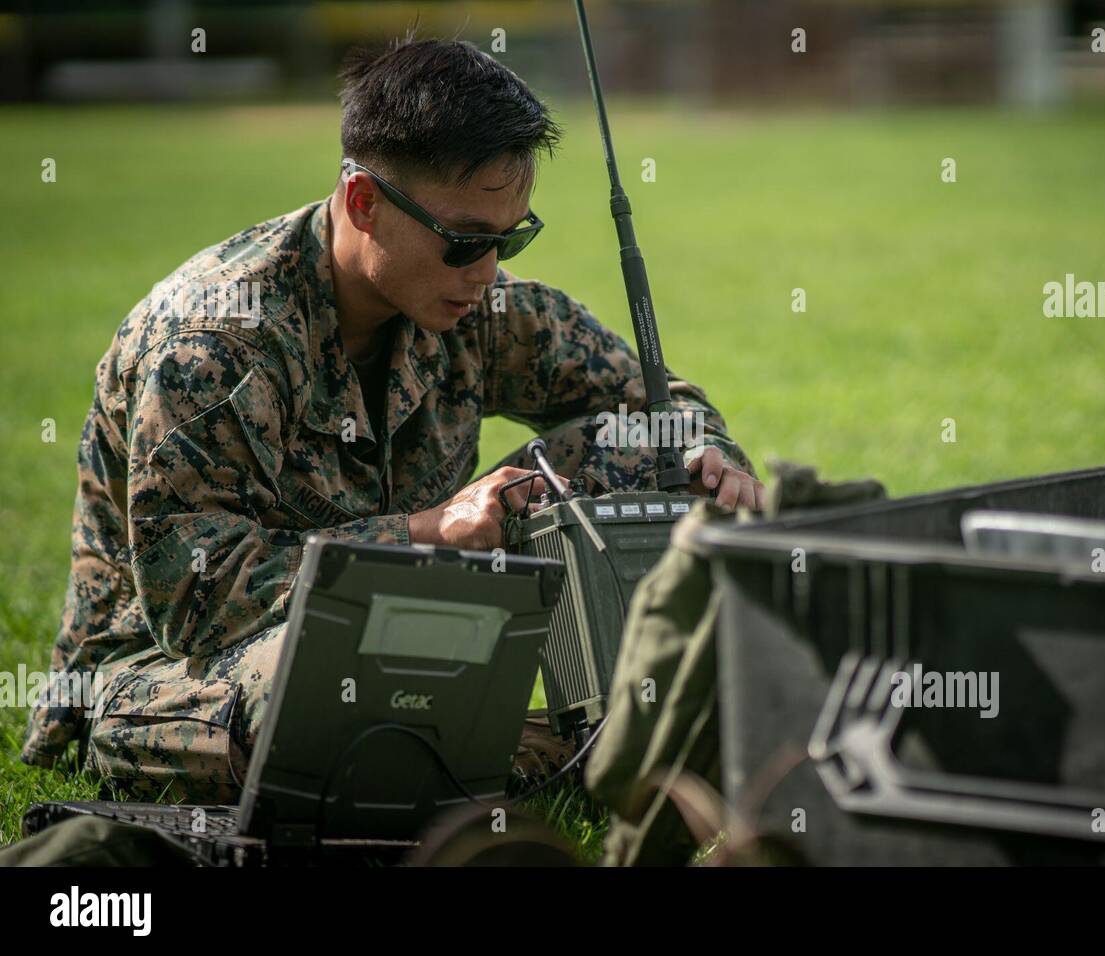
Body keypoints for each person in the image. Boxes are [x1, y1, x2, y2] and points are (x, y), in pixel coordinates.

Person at [20, 35, 762, 803]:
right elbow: (195, 599)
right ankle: (538, 752)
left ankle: (568, 729)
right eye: (465, 243)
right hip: (171, 671)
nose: (487, 272)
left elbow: (653, 399)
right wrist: (424, 534)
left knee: (638, 452)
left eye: (510, 239)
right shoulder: (216, 342)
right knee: (329, 689)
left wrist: (706, 454)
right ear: (364, 203)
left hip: (398, 627)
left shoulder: (475, 303)